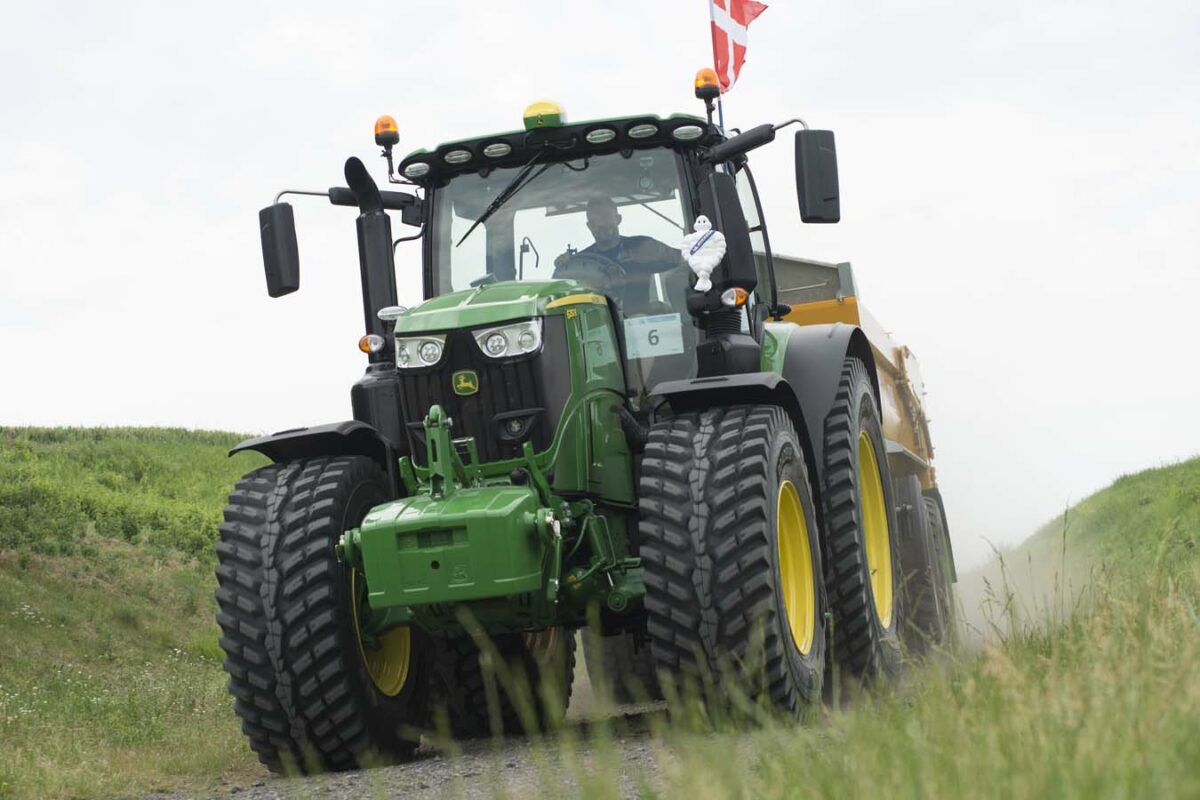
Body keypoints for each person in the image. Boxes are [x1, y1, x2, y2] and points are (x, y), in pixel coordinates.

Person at [554, 196, 684, 276]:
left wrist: (654, 257)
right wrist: (564, 268)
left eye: (605, 217)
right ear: (589, 226)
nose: (599, 225)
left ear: (618, 219)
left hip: (642, 318)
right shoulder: (580, 262)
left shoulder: (643, 245)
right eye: (593, 222)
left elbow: (688, 260)